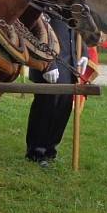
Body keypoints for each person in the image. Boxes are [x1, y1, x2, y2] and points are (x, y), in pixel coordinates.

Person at [25, 13, 88, 167]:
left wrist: (84, 53)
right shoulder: (46, 2)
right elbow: (36, 32)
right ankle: (36, 152)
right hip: (49, 65)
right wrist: (48, 64)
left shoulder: (70, 4)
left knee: (63, 108)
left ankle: (50, 150)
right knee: (46, 108)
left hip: (70, 65)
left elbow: (77, 30)